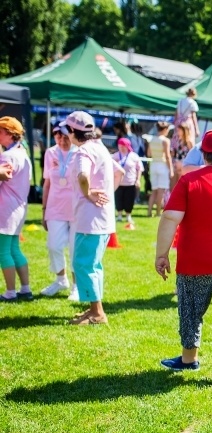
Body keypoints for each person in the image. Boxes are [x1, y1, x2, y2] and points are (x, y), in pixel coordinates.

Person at [155, 129, 212, 387]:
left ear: (203, 154)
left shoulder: (189, 180)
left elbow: (170, 217)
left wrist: (161, 254)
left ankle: (189, 358)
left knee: (190, 312)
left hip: (195, 262)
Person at [63, 111, 121, 325]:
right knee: (93, 265)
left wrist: (88, 193)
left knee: (83, 264)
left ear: (72, 131)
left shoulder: (83, 152)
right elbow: (120, 172)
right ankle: (94, 309)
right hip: (102, 218)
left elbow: (83, 176)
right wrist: (107, 195)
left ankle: (97, 313)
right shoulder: (100, 147)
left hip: (89, 219)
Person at [40, 124, 78, 300]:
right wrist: (44, 209)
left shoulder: (79, 153)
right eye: (58, 136)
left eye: (65, 136)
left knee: (75, 248)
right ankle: (61, 279)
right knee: (53, 245)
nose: (62, 140)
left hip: (76, 207)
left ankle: (77, 286)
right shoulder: (50, 152)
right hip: (55, 206)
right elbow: (47, 183)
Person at [0, 116, 34, 302]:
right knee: (13, 249)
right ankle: (25, 289)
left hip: (5, 208)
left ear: (9, 134)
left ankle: (10, 292)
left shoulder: (7, 156)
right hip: (18, 207)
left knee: (3, 252)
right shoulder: (23, 153)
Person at [112, 138, 143, 229]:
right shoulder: (115, 156)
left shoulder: (134, 156)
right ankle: (119, 215)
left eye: (123, 146)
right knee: (118, 199)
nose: (122, 148)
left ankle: (128, 215)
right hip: (118, 183)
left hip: (130, 182)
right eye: (120, 146)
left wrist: (138, 180)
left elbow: (139, 168)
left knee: (129, 200)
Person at [147, 122, 173, 217]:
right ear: (165, 129)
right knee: (161, 191)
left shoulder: (151, 139)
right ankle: (158, 212)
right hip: (162, 165)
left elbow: (149, 154)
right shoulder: (165, 141)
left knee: (154, 190)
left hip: (153, 164)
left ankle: (149, 211)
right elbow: (167, 156)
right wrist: (171, 169)